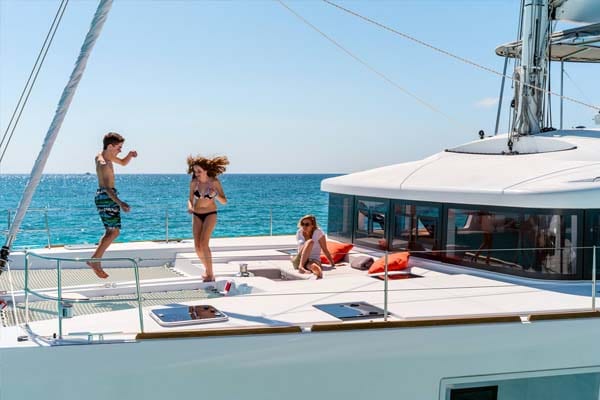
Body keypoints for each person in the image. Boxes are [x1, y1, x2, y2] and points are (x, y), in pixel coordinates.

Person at [88, 132, 137, 278]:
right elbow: (106, 188)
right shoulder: (103, 163)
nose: (120, 150)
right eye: (118, 147)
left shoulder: (105, 156)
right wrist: (120, 203)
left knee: (111, 231)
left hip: (105, 196)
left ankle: (95, 260)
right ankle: (94, 260)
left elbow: (122, 162)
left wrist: (129, 156)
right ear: (110, 146)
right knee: (114, 232)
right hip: (107, 196)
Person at [187, 155, 228, 282]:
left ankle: (210, 274)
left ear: (205, 170)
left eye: (199, 171)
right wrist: (190, 207)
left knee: (204, 243)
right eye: (195, 171)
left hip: (210, 214)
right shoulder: (194, 183)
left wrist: (215, 195)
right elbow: (190, 199)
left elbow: (224, 201)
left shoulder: (214, 182)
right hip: (197, 214)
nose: (196, 174)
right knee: (197, 247)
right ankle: (207, 269)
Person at [293, 215, 335, 279]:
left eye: (307, 224)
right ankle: (300, 267)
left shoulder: (318, 232)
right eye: (302, 224)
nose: (304, 226)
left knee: (313, 266)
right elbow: (301, 248)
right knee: (310, 242)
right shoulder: (299, 232)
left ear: (312, 225)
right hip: (300, 259)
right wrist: (307, 239)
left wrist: (333, 264)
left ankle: (318, 274)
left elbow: (325, 249)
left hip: (313, 259)